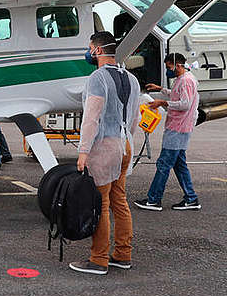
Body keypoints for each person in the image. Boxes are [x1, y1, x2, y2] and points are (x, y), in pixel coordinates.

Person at [69, 31, 140, 275]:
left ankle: (98, 259)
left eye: (90, 48)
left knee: (101, 202)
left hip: (105, 147)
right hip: (125, 145)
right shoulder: (132, 78)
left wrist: (83, 151)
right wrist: (126, 141)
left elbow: (91, 117)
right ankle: (123, 254)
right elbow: (135, 119)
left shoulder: (97, 78)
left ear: (98, 51)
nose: (88, 52)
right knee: (120, 201)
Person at [134, 53, 200, 212]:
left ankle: (153, 200)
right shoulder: (183, 79)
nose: (167, 70)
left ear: (177, 65)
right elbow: (177, 95)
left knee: (163, 164)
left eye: (169, 67)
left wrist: (162, 102)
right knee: (179, 165)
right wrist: (161, 89)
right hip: (179, 128)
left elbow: (184, 104)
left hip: (178, 129)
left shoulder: (186, 81)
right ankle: (191, 198)